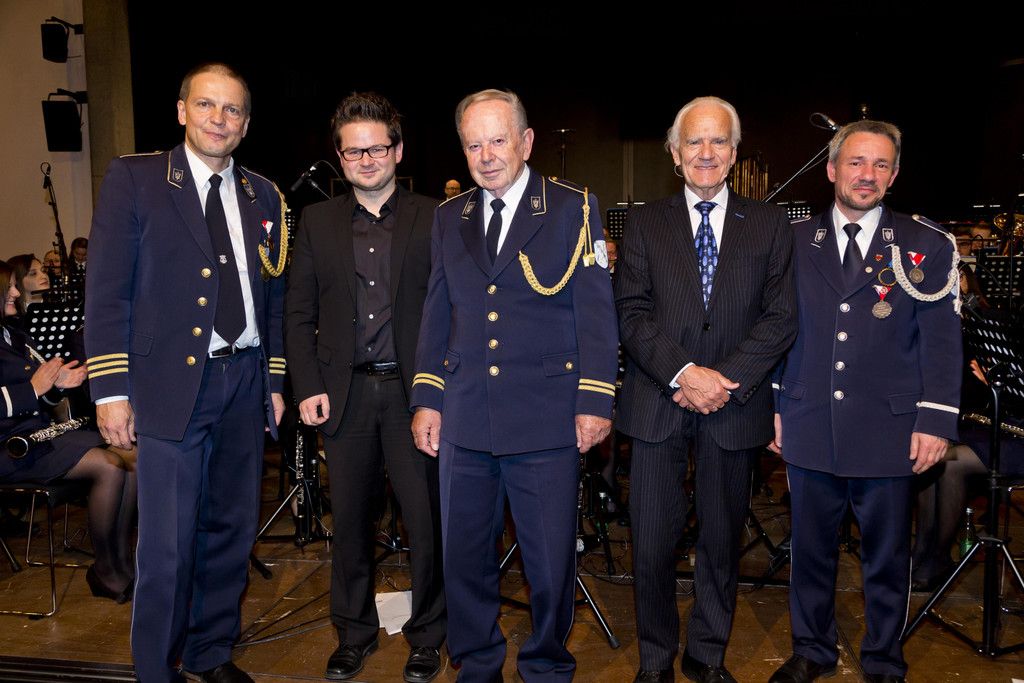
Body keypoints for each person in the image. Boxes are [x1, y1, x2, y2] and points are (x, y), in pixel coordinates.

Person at [85, 62, 287, 683]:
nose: (218, 119)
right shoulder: (136, 178)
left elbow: (274, 299)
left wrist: (275, 382)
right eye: (206, 105)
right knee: (167, 545)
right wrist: (110, 390)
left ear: (246, 124)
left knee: (230, 533)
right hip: (168, 389)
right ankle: (156, 669)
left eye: (232, 110)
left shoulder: (264, 195)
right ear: (181, 111)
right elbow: (108, 291)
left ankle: (210, 652)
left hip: (244, 383)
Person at [410, 89, 618, 681]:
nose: (486, 156)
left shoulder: (573, 207)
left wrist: (595, 400)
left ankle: (546, 666)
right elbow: (437, 311)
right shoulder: (449, 216)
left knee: (549, 565)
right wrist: (427, 397)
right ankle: (477, 665)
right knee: (464, 560)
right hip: (465, 418)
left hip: (546, 417)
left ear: (526, 142)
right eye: (473, 145)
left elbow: (595, 313)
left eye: (497, 140)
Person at [769, 120, 961, 683]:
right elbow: (777, 329)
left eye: (880, 165)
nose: (866, 175)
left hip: (890, 428)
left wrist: (936, 420)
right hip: (808, 418)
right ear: (832, 169)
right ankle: (812, 650)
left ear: (894, 175)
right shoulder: (793, 241)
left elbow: (942, 341)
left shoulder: (927, 244)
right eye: (855, 162)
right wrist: (775, 404)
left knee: (886, 557)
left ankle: (882, 658)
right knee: (810, 553)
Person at [614, 96, 797, 683]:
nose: (706, 152)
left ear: (735, 153)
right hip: (658, 401)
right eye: (694, 141)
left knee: (721, 542)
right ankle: (655, 660)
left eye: (719, 141)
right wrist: (684, 374)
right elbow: (631, 312)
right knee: (651, 543)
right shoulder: (644, 223)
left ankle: (707, 655)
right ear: (674, 153)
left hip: (733, 406)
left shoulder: (770, 224)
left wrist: (723, 381)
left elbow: (781, 318)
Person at [285, 92, 445, 683]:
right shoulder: (316, 221)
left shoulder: (436, 216)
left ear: (398, 151)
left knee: (426, 524)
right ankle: (352, 634)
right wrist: (306, 384)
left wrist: (438, 393)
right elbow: (298, 313)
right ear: (340, 157)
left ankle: (428, 635)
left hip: (413, 396)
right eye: (354, 151)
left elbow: (452, 310)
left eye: (377, 148)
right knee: (350, 525)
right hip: (344, 398)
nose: (366, 159)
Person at [0, 259, 135, 602]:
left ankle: (121, 560)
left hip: (36, 436)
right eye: (9, 286)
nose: (15, 292)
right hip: (10, 449)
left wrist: (60, 384)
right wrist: (33, 388)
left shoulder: (14, 333)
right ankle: (105, 569)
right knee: (109, 467)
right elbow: (27, 391)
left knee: (130, 453)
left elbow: (38, 396)